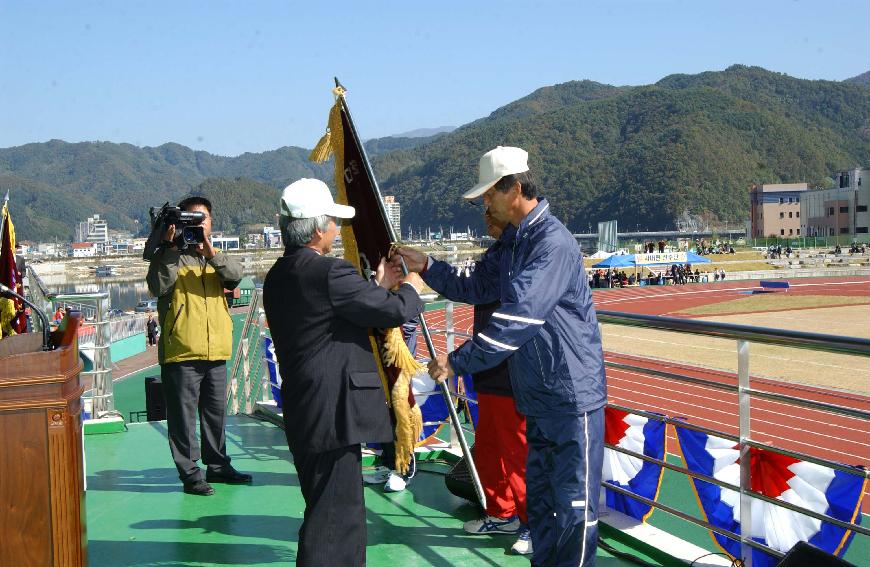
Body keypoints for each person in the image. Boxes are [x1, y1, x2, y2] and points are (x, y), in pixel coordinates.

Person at [394, 146, 607, 567]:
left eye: (488, 195)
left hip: (571, 399)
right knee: (545, 503)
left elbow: (518, 318)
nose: (484, 204)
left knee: (574, 509)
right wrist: (425, 265)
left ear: (514, 188)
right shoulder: (514, 243)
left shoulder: (552, 244)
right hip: (539, 396)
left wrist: (456, 361)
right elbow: (475, 286)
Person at [262, 178, 423, 567]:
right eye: (333, 222)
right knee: (336, 521)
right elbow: (392, 311)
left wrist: (377, 286)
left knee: (329, 510)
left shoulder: (280, 275)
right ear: (318, 229)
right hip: (334, 414)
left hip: (309, 410)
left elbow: (340, 311)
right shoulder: (329, 273)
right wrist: (412, 287)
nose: (337, 230)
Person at [146, 196, 251, 496]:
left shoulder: (215, 256)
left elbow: (236, 275)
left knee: (216, 414)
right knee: (183, 418)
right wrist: (168, 247)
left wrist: (210, 251)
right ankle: (190, 473)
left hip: (216, 349)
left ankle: (218, 466)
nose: (197, 224)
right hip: (181, 350)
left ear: (211, 223)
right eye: (191, 219)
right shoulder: (171, 256)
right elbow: (158, 285)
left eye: (202, 218)